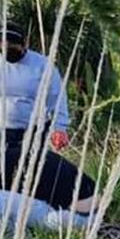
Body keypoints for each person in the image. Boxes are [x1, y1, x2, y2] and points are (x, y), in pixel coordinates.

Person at [0, 25, 97, 214]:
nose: (7, 50)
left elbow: (57, 99)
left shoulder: (42, 66)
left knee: (32, 171)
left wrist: (59, 128)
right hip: (3, 129)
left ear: (24, 44)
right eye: (3, 46)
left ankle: (36, 211)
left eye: (12, 46)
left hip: (32, 130)